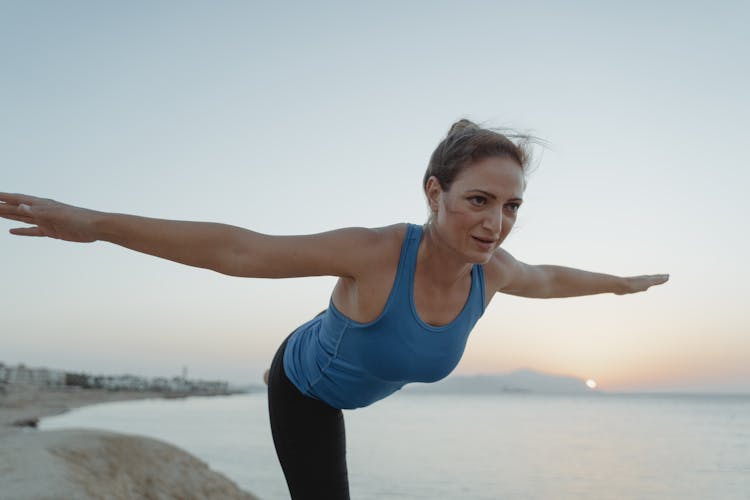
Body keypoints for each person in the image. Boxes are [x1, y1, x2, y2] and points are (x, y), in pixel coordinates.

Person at [0, 119, 668, 499]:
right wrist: (95, 223)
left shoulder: (492, 274)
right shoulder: (376, 252)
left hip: (337, 340)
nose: (497, 222)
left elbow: (548, 279)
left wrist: (618, 284)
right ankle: (275, 370)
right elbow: (238, 250)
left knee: (333, 336)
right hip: (305, 386)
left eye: (512, 205)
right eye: (478, 200)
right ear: (434, 193)